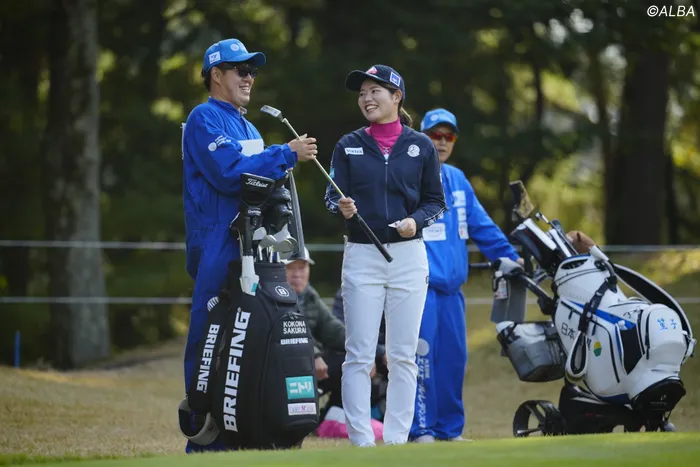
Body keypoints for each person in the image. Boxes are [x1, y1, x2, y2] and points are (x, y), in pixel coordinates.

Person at [181, 37, 318, 453]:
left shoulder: (249, 127)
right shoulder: (203, 118)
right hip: (217, 247)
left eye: (252, 71)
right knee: (212, 341)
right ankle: (205, 444)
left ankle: (248, 431)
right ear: (216, 75)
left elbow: (266, 185)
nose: (249, 78)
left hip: (255, 249)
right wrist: (286, 153)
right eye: (241, 70)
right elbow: (230, 173)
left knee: (250, 339)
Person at [324, 64, 447, 447]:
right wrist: (340, 207)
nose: (366, 98)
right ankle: (362, 442)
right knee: (359, 354)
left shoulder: (421, 146)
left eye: (374, 91)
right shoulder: (348, 145)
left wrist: (415, 222)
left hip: (409, 257)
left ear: (396, 97)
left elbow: (435, 202)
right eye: (362, 93)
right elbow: (330, 197)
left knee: (402, 355)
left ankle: (395, 442)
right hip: (361, 256)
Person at [408, 108, 522, 444]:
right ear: (423, 137)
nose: (442, 142)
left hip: (453, 293)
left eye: (449, 136)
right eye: (435, 135)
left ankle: (449, 430)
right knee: (422, 359)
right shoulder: (409, 175)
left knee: (453, 362)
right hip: (421, 289)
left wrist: (509, 257)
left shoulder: (458, 180)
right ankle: (421, 430)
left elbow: (481, 225)